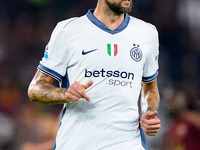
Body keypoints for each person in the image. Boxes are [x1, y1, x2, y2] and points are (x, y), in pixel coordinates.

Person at [28, 0, 161, 149]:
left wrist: (149, 113)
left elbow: (150, 87)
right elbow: (35, 89)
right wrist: (65, 93)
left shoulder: (147, 33)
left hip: (128, 143)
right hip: (77, 143)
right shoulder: (68, 30)